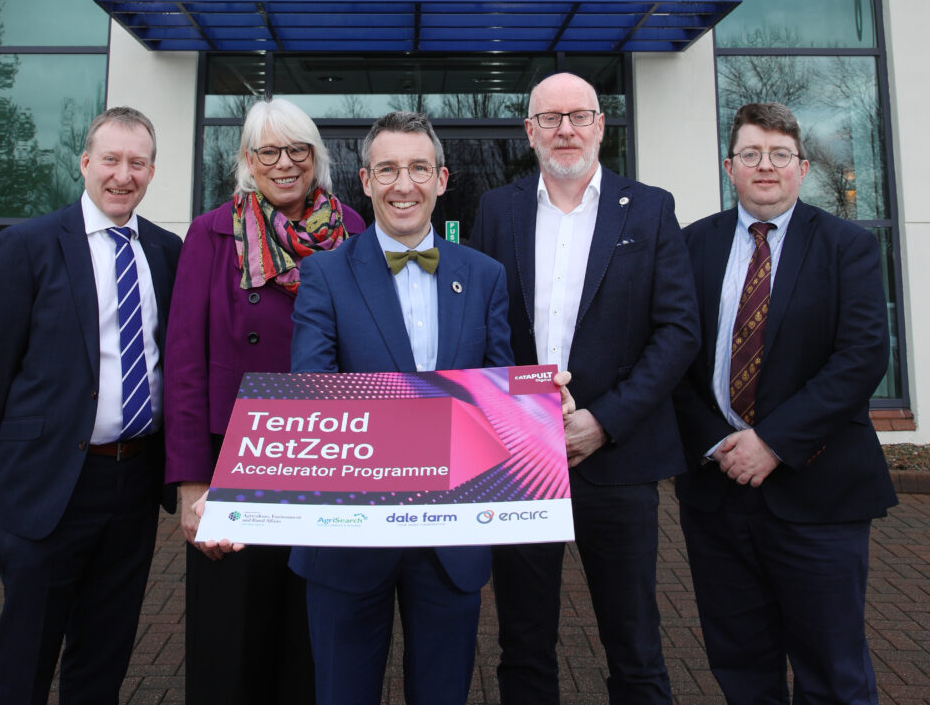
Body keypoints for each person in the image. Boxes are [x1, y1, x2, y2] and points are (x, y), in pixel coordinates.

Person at [468, 72, 700, 705]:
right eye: (550, 118)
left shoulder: (650, 207)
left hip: (619, 458)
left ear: (601, 125)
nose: (565, 129)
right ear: (529, 131)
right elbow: (486, 328)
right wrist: (522, 413)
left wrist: (603, 420)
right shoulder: (497, 208)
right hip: (521, 456)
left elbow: (678, 332)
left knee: (635, 643)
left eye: (579, 116)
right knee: (523, 642)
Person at [286, 111, 516, 705]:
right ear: (364, 181)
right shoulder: (324, 275)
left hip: (451, 540)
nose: (403, 184)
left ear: (442, 179)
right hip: (347, 536)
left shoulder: (486, 276)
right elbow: (313, 393)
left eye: (418, 168)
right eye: (387, 169)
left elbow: (495, 392)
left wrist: (536, 403)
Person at [673, 102, 897, 704]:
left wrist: (771, 442)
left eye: (779, 155)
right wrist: (717, 441)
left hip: (818, 491)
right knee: (741, 667)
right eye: (750, 154)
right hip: (718, 491)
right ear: (729, 166)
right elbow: (672, 358)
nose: (764, 166)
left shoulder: (848, 246)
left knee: (833, 671)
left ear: (801, 168)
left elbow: (861, 358)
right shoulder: (691, 245)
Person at [0, 106, 182, 704]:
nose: (122, 174)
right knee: (24, 658)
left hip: (133, 483)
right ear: (85, 163)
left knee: (103, 656)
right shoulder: (29, 245)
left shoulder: (166, 252)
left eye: (137, 163)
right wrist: (10, 465)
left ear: (152, 171)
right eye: (110, 159)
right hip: (48, 483)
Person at [164, 98, 365, 704]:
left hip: (330, 457)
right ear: (247, 161)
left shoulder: (353, 230)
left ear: (316, 158)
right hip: (237, 460)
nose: (284, 164)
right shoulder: (212, 232)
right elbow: (184, 366)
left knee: (316, 630)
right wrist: (191, 487)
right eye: (269, 152)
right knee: (232, 638)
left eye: (297, 150)